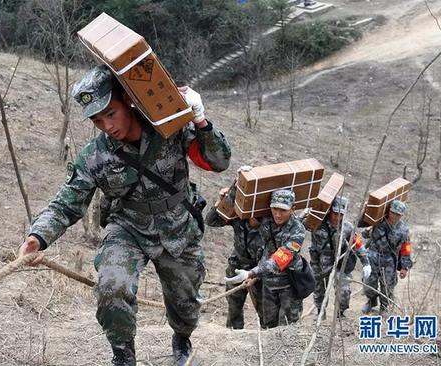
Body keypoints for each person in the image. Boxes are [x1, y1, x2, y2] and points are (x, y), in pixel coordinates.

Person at [17, 65, 231, 366]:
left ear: (128, 101)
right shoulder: (94, 155)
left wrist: (200, 119)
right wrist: (37, 237)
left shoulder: (168, 127)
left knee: (186, 306)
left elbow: (219, 161)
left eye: (111, 113)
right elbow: (66, 204)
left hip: (178, 229)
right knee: (112, 285)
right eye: (97, 119)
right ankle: (123, 356)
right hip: (129, 228)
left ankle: (182, 339)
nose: (107, 125)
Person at [225, 189, 306, 328]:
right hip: (269, 284)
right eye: (274, 209)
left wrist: (252, 272)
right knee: (268, 325)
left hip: (289, 285)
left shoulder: (297, 230)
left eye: (283, 210)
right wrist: (235, 184)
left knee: (287, 327)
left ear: (293, 209)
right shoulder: (267, 221)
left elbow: (279, 259)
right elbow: (237, 207)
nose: (278, 214)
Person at [205, 182, 266, 329]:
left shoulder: (270, 221)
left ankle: (265, 339)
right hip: (237, 266)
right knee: (234, 307)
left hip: (261, 270)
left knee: (264, 311)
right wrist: (221, 201)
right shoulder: (238, 215)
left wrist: (255, 276)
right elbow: (211, 220)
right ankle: (234, 336)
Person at [307, 196, 371, 319]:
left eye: (341, 214)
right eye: (335, 213)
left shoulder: (347, 227)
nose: (337, 217)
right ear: (330, 211)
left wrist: (366, 262)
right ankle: (320, 312)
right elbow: (299, 225)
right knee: (319, 291)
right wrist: (308, 212)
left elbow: (357, 244)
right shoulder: (317, 223)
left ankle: (340, 313)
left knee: (344, 291)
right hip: (319, 263)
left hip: (339, 264)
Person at [361, 200, 412, 315]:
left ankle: (384, 306)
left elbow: (406, 248)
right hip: (373, 257)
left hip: (389, 260)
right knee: (368, 284)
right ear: (389, 211)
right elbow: (363, 230)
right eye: (393, 213)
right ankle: (371, 300)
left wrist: (405, 267)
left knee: (388, 286)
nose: (394, 216)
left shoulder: (404, 230)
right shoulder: (378, 221)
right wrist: (365, 211)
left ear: (401, 215)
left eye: (398, 215)